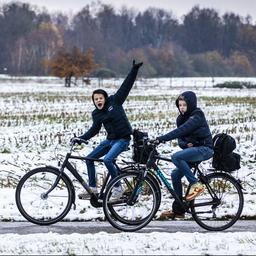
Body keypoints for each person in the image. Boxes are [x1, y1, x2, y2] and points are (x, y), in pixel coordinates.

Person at [72, 60, 143, 200]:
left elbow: (126, 86)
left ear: (105, 98)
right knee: (89, 159)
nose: (98, 100)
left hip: (123, 139)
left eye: (100, 98)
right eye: (95, 99)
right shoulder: (96, 114)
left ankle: (118, 189)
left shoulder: (115, 101)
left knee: (108, 160)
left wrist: (134, 70)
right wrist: (81, 138)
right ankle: (92, 188)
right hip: (110, 140)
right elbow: (94, 129)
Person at [155, 91, 214, 218]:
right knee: (175, 174)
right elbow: (181, 140)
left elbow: (182, 130)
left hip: (205, 149)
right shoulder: (180, 118)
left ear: (191, 104)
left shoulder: (197, 115)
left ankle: (195, 184)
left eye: (184, 105)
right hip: (193, 150)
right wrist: (186, 145)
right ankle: (179, 209)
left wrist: (162, 138)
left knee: (176, 157)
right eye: (180, 105)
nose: (181, 107)